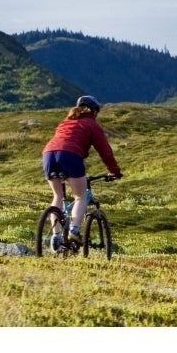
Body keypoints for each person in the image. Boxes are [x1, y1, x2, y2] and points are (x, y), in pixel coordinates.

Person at [41, 95, 122, 248]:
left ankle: (56, 237)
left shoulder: (65, 122)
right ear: (94, 112)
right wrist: (114, 171)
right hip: (69, 155)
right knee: (80, 196)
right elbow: (105, 152)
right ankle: (74, 231)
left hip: (48, 155)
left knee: (57, 195)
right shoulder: (92, 125)